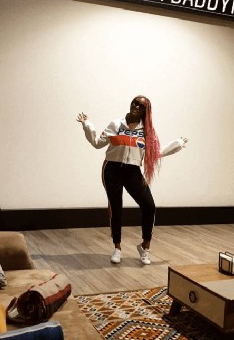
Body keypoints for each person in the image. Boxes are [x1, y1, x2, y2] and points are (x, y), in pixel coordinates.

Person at [77, 95, 188, 265]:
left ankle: (145, 246)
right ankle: (117, 248)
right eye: (135, 103)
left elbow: (156, 152)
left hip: (132, 171)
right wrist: (87, 125)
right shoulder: (116, 124)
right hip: (112, 169)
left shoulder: (147, 131)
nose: (136, 107)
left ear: (145, 111)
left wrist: (177, 144)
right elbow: (97, 143)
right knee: (116, 208)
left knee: (149, 205)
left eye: (141, 106)